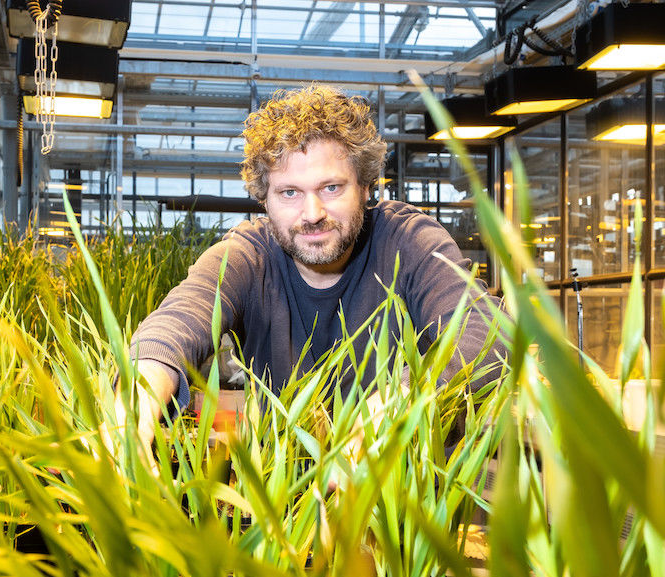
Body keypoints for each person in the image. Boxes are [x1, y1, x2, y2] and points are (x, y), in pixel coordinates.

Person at [124, 84, 504, 451]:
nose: (312, 214)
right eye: (289, 193)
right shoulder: (247, 257)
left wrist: (401, 401)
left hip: (406, 496)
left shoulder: (408, 240)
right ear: (265, 200)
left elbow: (482, 329)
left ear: (366, 187)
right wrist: (139, 399)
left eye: (331, 188)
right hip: (285, 497)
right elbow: (180, 317)